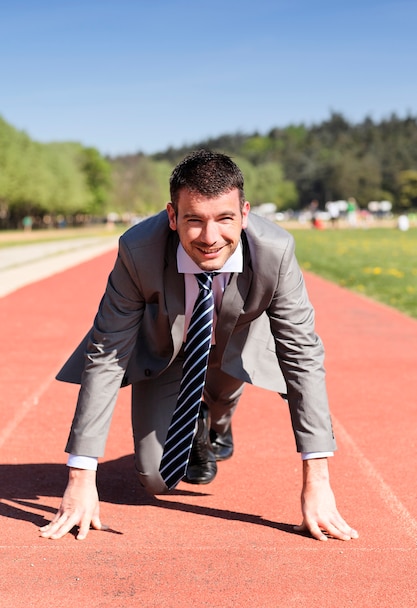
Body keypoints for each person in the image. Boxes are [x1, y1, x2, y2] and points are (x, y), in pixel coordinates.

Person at [40, 150, 358, 543]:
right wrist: (81, 476)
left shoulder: (276, 251)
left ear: (244, 213)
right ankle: (193, 420)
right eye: (194, 220)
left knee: (223, 394)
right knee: (157, 480)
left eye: (225, 219)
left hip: (234, 343)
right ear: (172, 217)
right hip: (166, 351)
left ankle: (213, 420)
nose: (210, 238)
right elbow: (107, 353)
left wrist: (318, 480)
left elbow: (302, 354)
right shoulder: (138, 251)